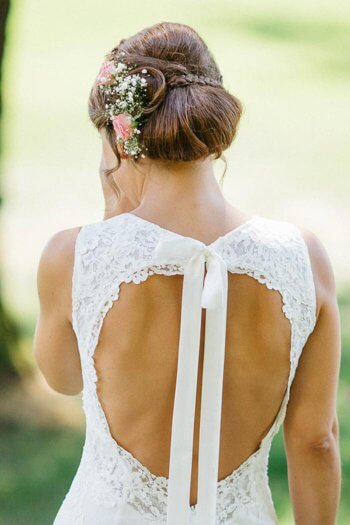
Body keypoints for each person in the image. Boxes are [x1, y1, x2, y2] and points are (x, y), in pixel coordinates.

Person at [34, 21, 341, 525]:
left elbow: (67, 378)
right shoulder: (304, 258)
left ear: (119, 137)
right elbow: (316, 440)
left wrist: (113, 223)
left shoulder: (73, 256)